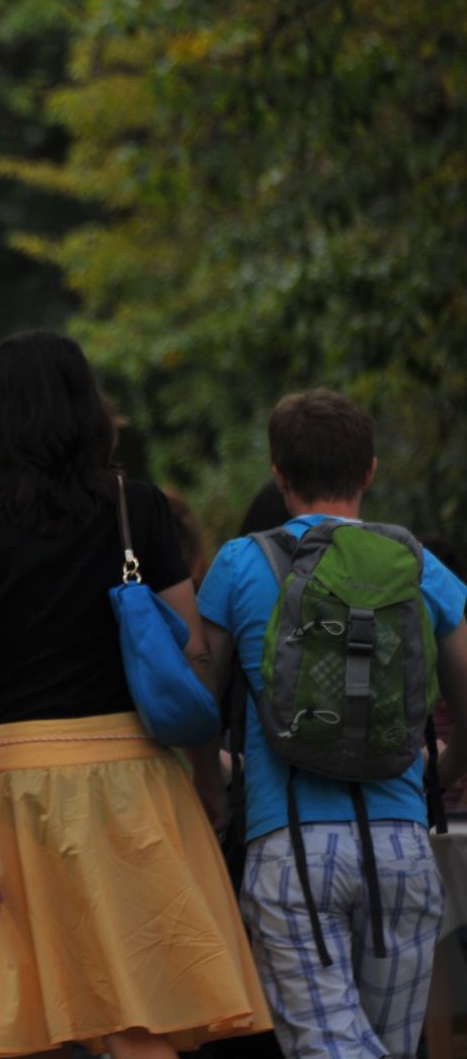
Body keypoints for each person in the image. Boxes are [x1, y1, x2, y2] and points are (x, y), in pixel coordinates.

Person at [0, 330, 271, 1059]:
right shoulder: (138, 507)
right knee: (136, 1013)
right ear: (88, 412)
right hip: (137, 782)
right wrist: (208, 782)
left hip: (17, 790)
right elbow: (191, 656)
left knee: (35, 1019)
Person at [194, 388, 467, 1059]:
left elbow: (198, 701)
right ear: (370, 469)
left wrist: (210, 787)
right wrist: (444, 767)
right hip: (403, 845)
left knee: (330, 1047)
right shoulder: (419, 564)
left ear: (278, 474)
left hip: (290, 847)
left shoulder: (237, 563)